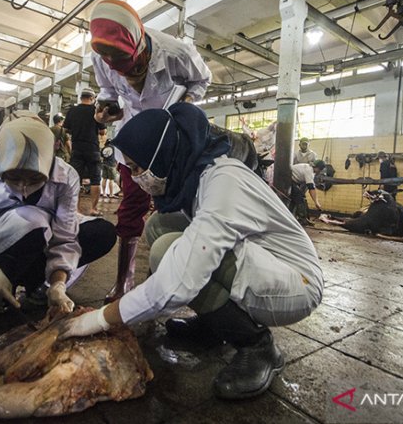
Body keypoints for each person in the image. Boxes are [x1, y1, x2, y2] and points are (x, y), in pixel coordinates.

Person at [58, 103, 323, 400]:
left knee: (166, 251)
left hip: (294, 284)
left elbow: (179, 279)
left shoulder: (223, 182)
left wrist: (99, 319)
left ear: (161, 156)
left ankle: (258, 346)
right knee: (160, 224)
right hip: (261, 260)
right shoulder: (198, 172)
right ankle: (216, 326)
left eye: (137, 167)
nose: (134, 178)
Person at [88, 0, 212, 302]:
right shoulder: (101, 57)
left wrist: (183, 106)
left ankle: (166, 278)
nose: (125, 75)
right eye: (108, 60)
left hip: (171, 142)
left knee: (174, 208)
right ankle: (124, 281)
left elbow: (203, 79)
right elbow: (109, 92)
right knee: (131, 206)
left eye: (132, 68)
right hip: (133, 143)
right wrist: (107, 110)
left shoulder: (177, 53)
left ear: (140, 46)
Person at [0, 111, 116, 316]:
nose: (23, 186)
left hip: (44, 239)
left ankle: (40, 287)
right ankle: (3, 285)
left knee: (101, 231)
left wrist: (57, 283)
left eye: (35, 179)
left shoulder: (65, 175)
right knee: (32, 221)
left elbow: (65, 236)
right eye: (13, 178)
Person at [63, 88, 107, 216]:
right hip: (92, 148)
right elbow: (103, 131)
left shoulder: (72, 111)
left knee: (75, 179)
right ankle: (93, 209)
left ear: (81, 97)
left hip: (77, 148)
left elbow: (66, 130)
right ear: (92, 98)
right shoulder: (95, 110)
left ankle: (76, 209)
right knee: (95, 179)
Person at [290, 160, 324, 226]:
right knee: (300, 197)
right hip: (288, 179)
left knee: (298, 199)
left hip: (293, 181)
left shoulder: (309, 168)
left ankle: (300, 218)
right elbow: (311, 188)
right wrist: (316, 202)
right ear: (317, 168)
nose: (319, 172)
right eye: (320, 170)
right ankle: (302, 219)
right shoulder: (309, 171)